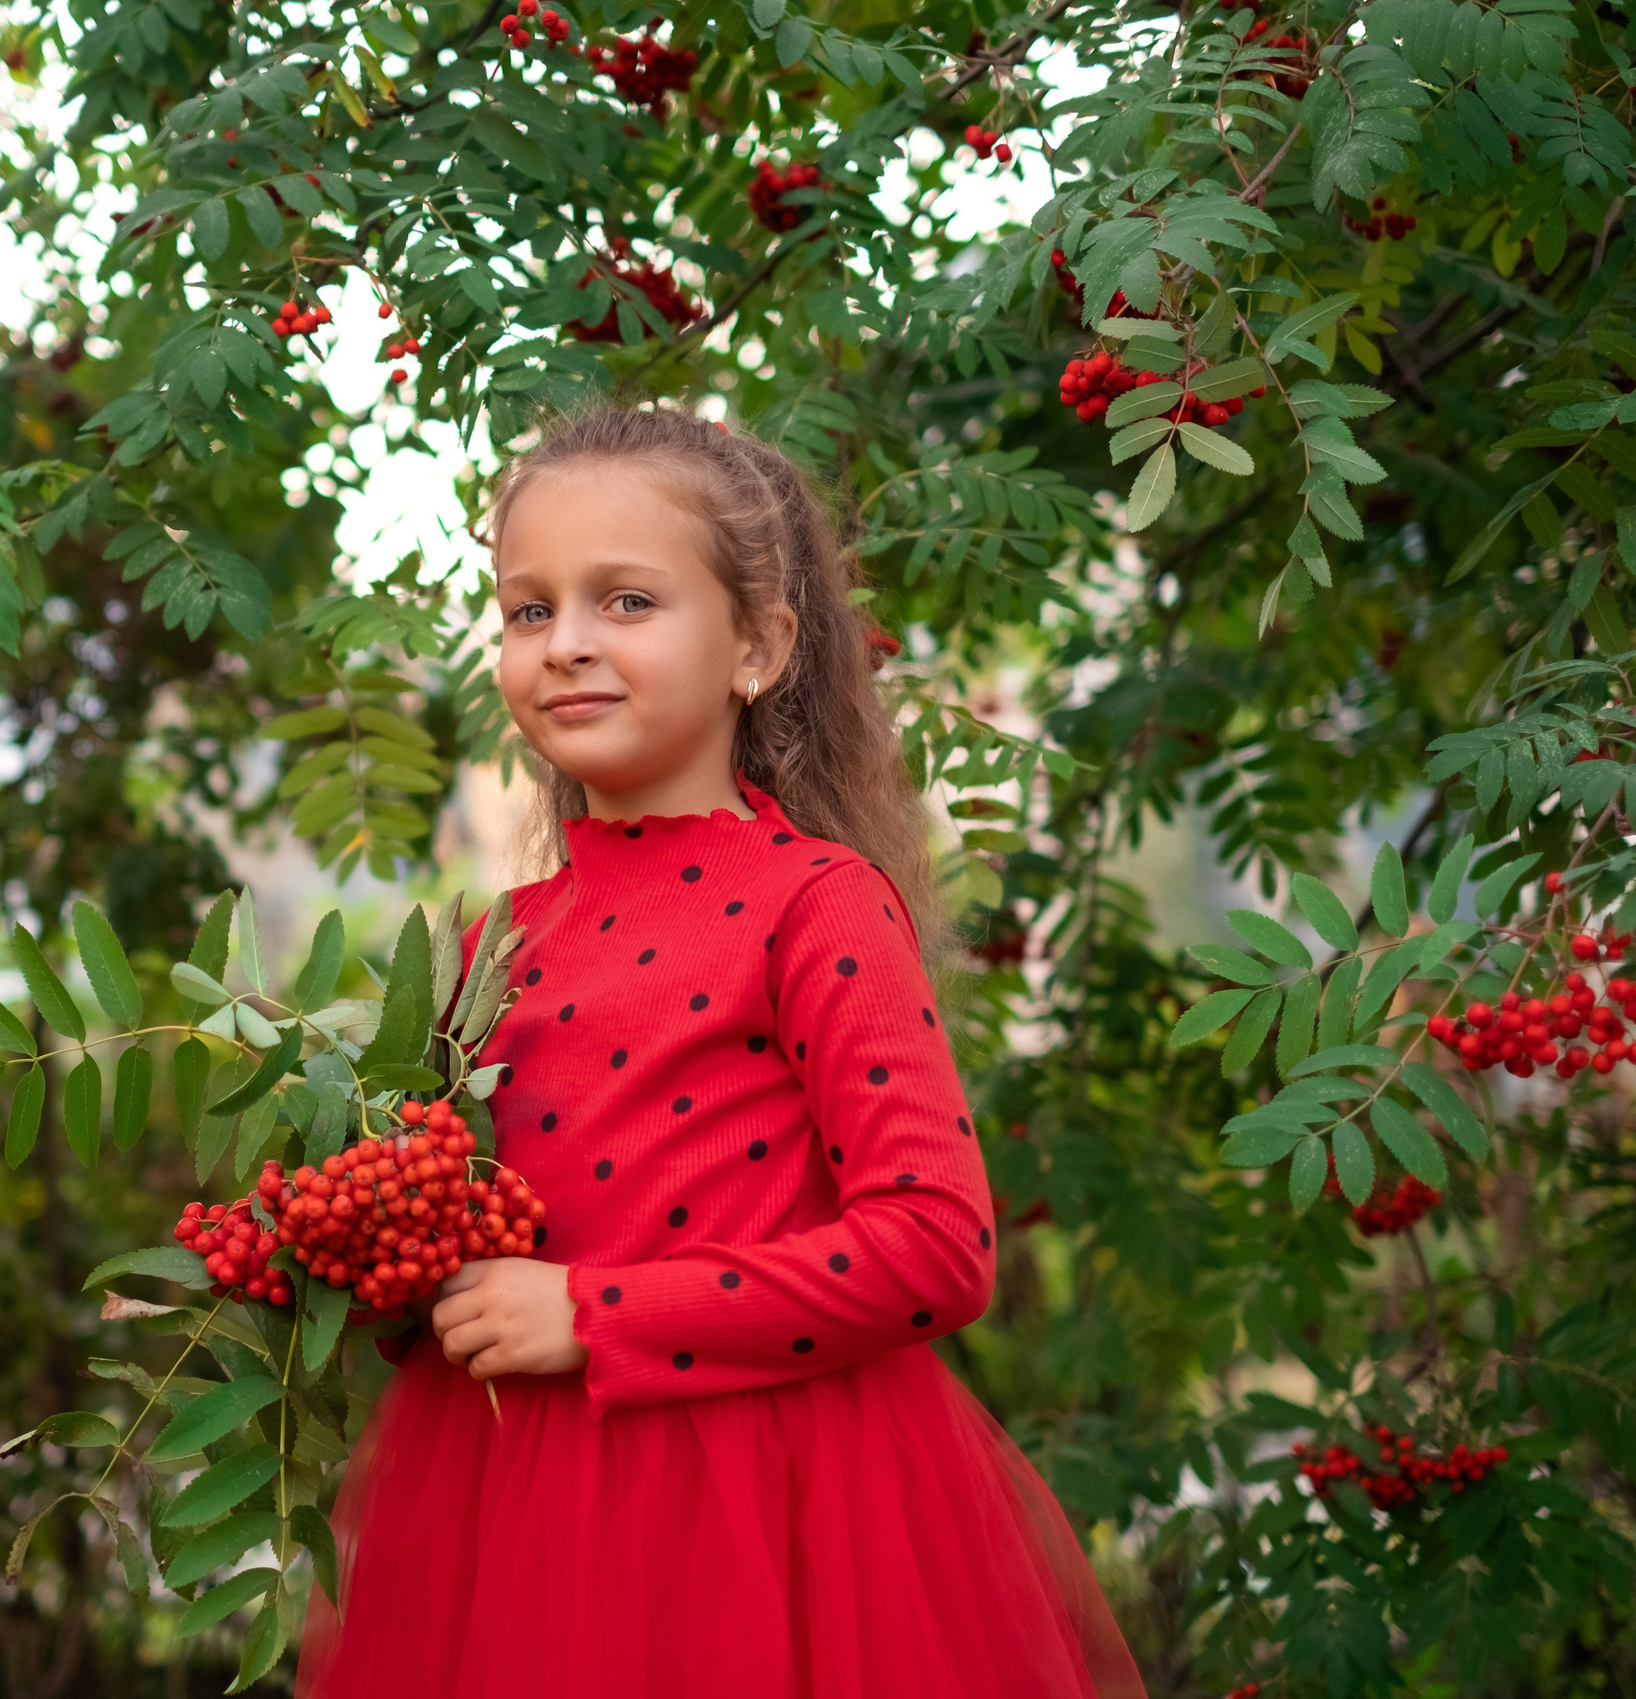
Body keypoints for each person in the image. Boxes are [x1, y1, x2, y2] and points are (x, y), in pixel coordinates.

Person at [295, 407, 1144, 1699]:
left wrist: (593, 1314)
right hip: (510, 1504)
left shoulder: (816, 904)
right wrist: (356, 1248)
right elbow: (477, 1232)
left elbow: (937, 1247)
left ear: (758, 645)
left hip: (776, 1504)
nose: (566, 642)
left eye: (625, 600)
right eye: (529, 611)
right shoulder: (486, 944)